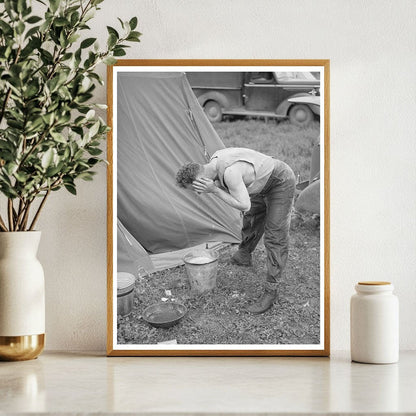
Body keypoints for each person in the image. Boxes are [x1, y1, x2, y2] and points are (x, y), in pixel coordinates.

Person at [175, 147, 296, 314]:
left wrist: (215, 190)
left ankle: (271, 290)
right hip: (262, 183)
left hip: (280, 181)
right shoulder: (214, 161)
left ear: (199, 180)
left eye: (195, 188)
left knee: (275, 235)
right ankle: (243, 255)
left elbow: (244, 205)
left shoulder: (230, 173)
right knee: (252, 219)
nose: (197, 192)